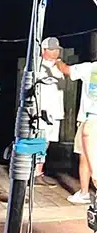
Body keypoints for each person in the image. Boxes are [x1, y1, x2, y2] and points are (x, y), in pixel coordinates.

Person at [55, 57, 97, 203]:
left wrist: (58, 60)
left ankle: (85, 192)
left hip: (89, 119)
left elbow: (66, 70)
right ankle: (85, 192)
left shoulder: (89, 68)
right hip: (89, 119)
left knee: (85, 157)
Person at [34, 37, 66, 188]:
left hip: (55, 110)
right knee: (40, 141)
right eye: (51, 49)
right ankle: (34, 173)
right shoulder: (38, 66)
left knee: (46, 142)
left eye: (57, 49)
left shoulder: (59, 66)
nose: (55, 52)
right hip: (43, 111)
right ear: (43, 50)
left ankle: (38, 171)